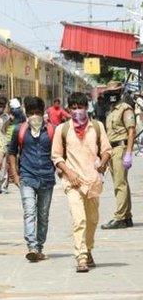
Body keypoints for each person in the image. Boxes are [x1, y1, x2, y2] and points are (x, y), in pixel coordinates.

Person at [51, 92, 112, 273]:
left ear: (87, 108)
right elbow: (56, 156)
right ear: (69, 110)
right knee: (79, 220)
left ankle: (89, 248)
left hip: (92, 182)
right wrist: (69, 173)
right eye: (74, 108)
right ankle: (81, 256)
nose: (78, 111)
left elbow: (107, 150)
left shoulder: (97, 127)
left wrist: (103, 161)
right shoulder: (62, 130)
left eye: (81, 107)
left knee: (92, 220)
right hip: (73, 183)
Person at [7, 96, 56, 261]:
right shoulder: (19, 130)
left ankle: (39, 246)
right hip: (27, 177)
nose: (34, 116)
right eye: (31, 113)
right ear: (26, 114)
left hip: (47, 178)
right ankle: (32, 246)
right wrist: (14, 174)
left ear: (43, 113)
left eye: (38, 112)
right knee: (29, 212)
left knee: (43, 214)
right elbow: (12, 152)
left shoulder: (52, 131)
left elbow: (58, 153)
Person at [101, 92, 135, 229]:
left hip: (121, 148)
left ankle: (120, 217)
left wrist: (129, 153)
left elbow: (131, 131)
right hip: (112, 149)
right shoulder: (111, 109)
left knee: (120, 185)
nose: (110, 96)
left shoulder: (125, 108)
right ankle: (127, 216)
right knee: (121, 183)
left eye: (113, 92)